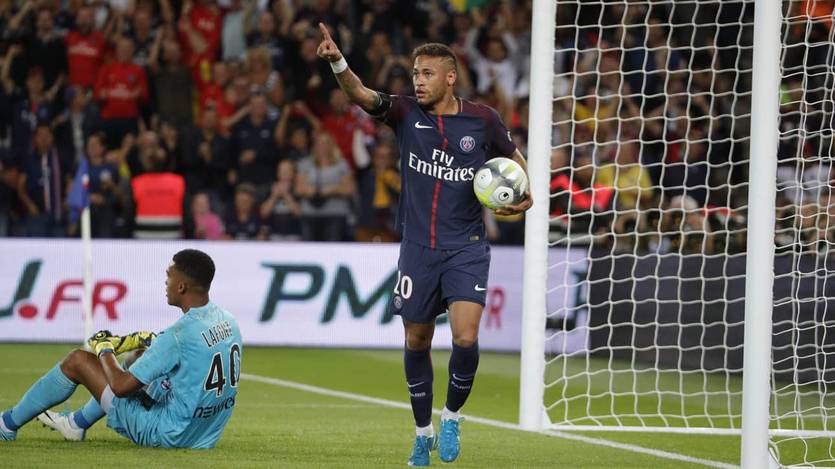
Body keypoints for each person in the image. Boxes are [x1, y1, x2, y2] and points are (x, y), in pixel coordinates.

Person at [317, 23, 531, 466]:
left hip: (466, 246)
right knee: (417, 339)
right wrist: (338, 61)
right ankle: (422, 433)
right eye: (416, 73)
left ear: (450, 77)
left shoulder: (482, 120)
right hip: (417, 248)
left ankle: (451, 417)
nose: (418, 80)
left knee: (466, 336)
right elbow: (359, 93)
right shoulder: (405, 113)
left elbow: (514, 163)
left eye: (427, 74)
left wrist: (524, 196)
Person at [0, 249, 242, 449]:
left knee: (78, 361)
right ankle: (76, 423)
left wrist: (104, 349)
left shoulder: (178, 335)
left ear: (181, 287)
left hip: (167, 434)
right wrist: (151, 347)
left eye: (168, 277)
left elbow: (120, 387)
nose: (165, 282)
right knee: (139, 357)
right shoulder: (228, 321)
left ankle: (6, 425)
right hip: (205, 434)